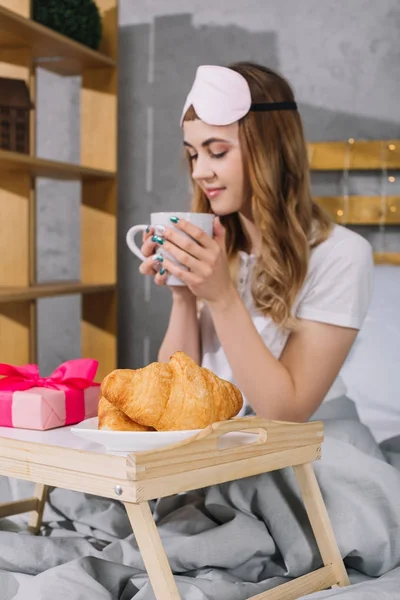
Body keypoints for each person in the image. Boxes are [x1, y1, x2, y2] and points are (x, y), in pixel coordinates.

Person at [138, 62, 374, 422]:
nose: (200, 171)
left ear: (271, 150)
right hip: (225, 441)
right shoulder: (219, 247)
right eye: (193, 154)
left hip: (309, 447)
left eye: (217, 151)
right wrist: (183, 292)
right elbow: (174, 398)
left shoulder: (342, 255)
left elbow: (287, 413)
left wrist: (221, 296)